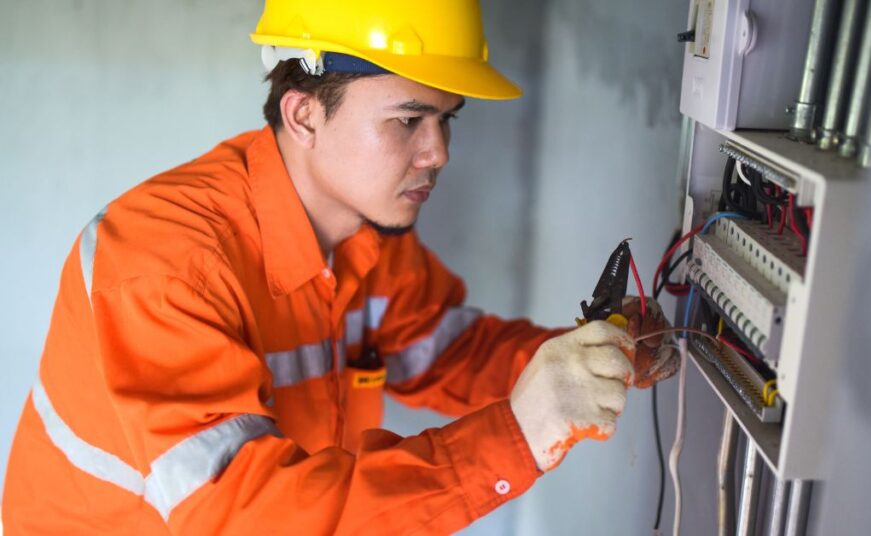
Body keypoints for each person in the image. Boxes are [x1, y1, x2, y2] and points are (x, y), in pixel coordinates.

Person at [2, 1, 679, 533]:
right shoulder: (162, 264)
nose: (438, 151)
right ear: (302, 115)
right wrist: (520, 435)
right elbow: (247, 518)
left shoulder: (368, 237)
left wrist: (581, 359)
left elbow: (451, 352)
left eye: (447, 119)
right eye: (409, 119)